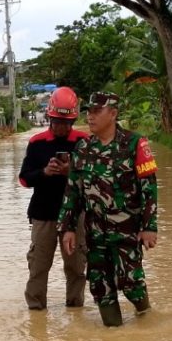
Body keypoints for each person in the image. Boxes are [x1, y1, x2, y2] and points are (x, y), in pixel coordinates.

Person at [58, 91, 157, 327]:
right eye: (88, 111)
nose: (90, 116)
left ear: (113, 113)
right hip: (95, 233)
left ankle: (148, 322)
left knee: (131, 283)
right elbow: (73, 192)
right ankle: (113, 335)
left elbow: (149, 189)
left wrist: (149, 227)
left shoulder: (135, 144)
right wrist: (67, 228)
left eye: (96, 111)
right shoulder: (83, 148)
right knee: (100, 286)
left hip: (127, 231)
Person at [17, 85, 90, 310]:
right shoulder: (37, 143)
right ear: (50, 118)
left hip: (76, 215)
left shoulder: (84, 141)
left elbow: (95, 179)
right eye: (57, 122)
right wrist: (44, 173)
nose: (62, 127)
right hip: (43, 215)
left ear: (73, 120)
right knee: (38, 267)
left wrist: (71, 172)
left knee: (76, 267)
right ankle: (36, 312)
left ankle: (75, 309)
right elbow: (24, 179)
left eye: (67, 123)